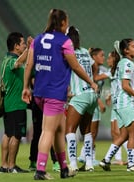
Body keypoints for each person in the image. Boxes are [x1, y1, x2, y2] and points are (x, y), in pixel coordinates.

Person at [22, 9, 97, 180]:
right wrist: (91, 82)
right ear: (62, 23)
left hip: (40, 92)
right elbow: (76, 66)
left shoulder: (38, 39)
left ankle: (64, 168)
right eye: (66, 22)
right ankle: (40, 170)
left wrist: (26, 87)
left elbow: (28, 65)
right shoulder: (65, 41)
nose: (67, 25)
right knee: (48, 131)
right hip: (54, 93)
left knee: (59, 130)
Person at [99, 39, 134, 172]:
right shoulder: (127, 63)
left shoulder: (122, 63)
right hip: (126, 103)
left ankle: (106, 160)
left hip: (120, 104)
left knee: (124, 135)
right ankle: (131, 164)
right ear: (126, 50)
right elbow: (125, 86)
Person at [65, 26, 98, 172]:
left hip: (79, 95)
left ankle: (72, 163)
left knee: (70, 130)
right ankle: (89, 163)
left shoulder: (67, 52)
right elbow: (94, 67)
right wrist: (91, 80)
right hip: (92, 95)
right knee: (87, 130)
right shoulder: (85, 52)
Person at [0, 32, 32, 173]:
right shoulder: (12, 61)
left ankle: (4, 165)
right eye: (22, 43)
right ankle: (12, 166)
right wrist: (29, 49)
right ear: (16, 46)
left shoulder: (4, 60)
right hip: (16, 103)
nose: (24, 45)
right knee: (17, 135)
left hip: (8, 103)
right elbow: (18, 63)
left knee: (7, 134)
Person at [94, 51, 128, 165]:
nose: (107, 60)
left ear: (115, 60)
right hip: (116, 104)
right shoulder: (112, 71)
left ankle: (131, 156)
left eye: (109, 58)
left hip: (120, 104)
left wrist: (92, 64)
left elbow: (96, 78)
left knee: (120, 132)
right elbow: (116, 86)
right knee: (114, 132)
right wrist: (109, 95)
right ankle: (118, 159)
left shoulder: (116, 71)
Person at [78, 47, 107, 167]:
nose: (103, 58)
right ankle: (87, 156)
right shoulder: (89, 69)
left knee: (93, 132)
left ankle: (84, 155)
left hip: (95, 102)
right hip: (90, 101)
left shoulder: (103, 70)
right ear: (93, 57)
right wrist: (100, 102)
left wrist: (108, 95)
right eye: (101, 55)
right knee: (90, 131)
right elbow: (93, 81)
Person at [28, 91, 60, 172]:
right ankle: (33, 161)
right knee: (38, 134)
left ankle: (56, 161)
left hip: (49, 101)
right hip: (38, 101)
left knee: (51, 132)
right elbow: (33, 82)